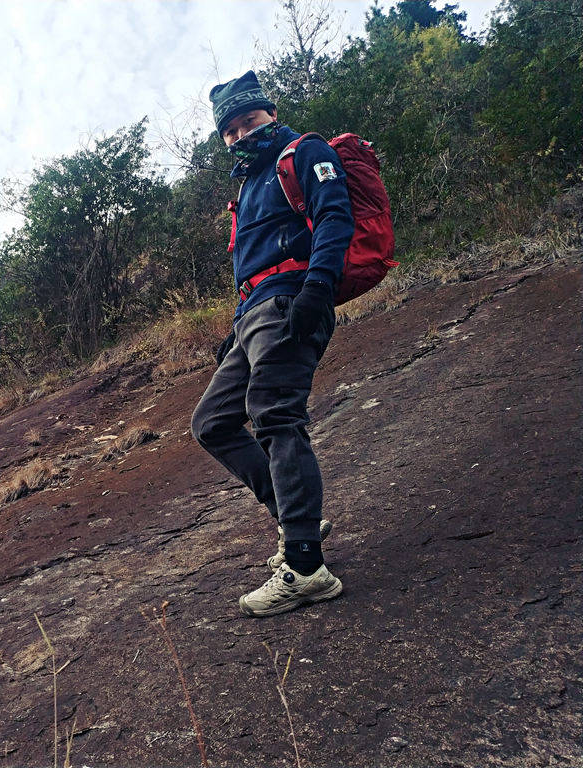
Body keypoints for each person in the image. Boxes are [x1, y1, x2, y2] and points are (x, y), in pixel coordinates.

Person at [191, 70, 354, 617]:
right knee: (212, 423)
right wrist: (233, 331)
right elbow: (252, 264)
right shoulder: (247, 185)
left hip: (291, 301)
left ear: (271, 113)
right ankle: (292, 515)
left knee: (275, 416)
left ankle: (307, 566)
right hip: (252, 316)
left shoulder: (304, 151)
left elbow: (335, 215)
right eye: (230, 131)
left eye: (249, 121)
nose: (240, 135)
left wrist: (318, 288)